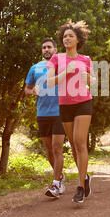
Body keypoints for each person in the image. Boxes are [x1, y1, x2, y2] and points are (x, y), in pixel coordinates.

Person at [47, 20, 95, 203]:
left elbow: (96, 83)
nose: (67, 38)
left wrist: (89, 77)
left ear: (78, 39)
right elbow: (50, 83)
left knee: (79, 141)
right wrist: (66, 72)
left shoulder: (86, 59)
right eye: (65, 36)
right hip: (65, 105)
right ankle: (85, 178)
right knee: (74, 147)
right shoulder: (56, 59)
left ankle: (80, 188)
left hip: (83, 102)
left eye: (70, 36)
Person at [25, 38, 66, 198]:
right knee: (49, 150)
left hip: (60, 112)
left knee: (57, 148)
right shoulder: (35, 68)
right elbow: (26, 89)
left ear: (55, 50)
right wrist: (32, 90)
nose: (46, 49)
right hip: (42, 113)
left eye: (49, 47)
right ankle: (60, 177)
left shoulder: (61, 66)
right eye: (44, 47)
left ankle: (55, 184)